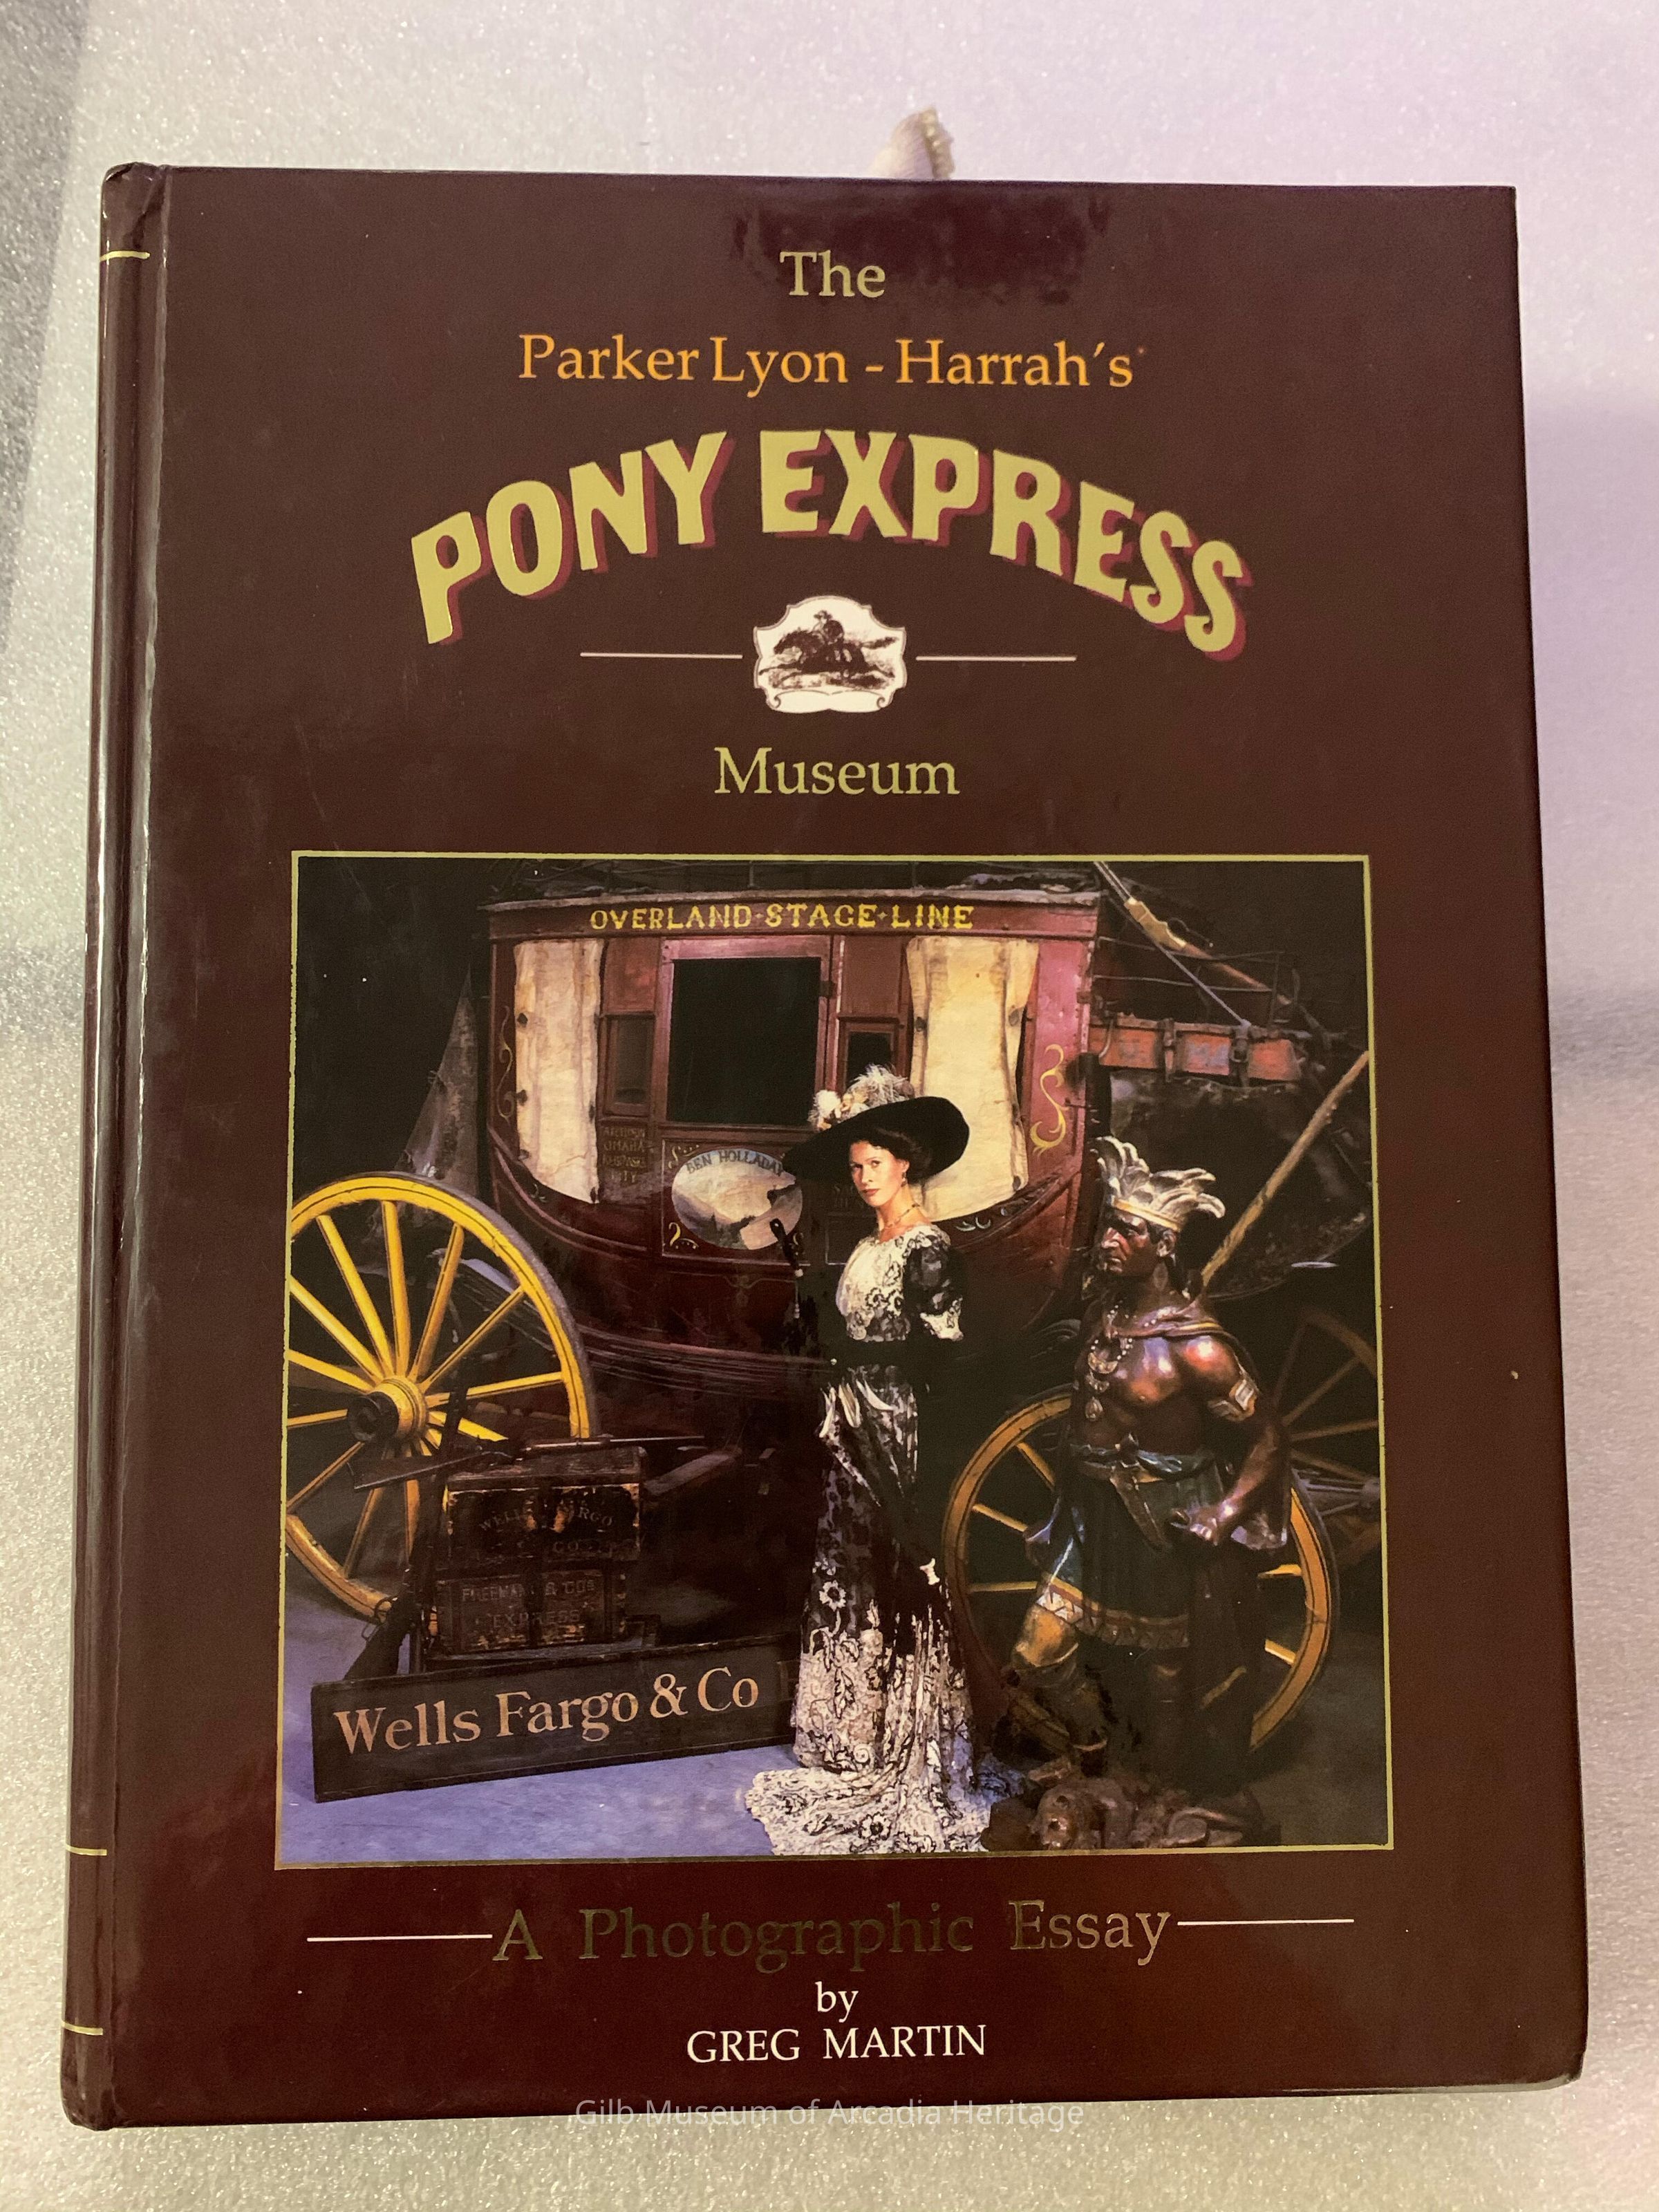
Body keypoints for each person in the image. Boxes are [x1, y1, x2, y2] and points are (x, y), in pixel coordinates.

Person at [745, 1068, 992, 1855]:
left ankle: (905, 1738)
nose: (861, 1178)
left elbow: (944, 1367)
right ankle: (849, 1733)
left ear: (906, 1164)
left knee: (898, 1567)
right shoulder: (865, 1246)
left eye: (874, 1164)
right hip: (846, 1424)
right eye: (853, 1167)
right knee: (848, 1565)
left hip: (898, 1428)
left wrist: (921, 1459)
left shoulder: (928, 1251)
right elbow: (848, 1331)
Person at [1009, 1138, 1289, 1815]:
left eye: (1127, 1230)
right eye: (1109, 1225)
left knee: (1167, 1674)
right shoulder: (1104, 1317)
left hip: (1162, 1523)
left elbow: (1268, 1438)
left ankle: (1160, 1790)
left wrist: (1224, 1514)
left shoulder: (1199, 1348)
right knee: (1038, 1651)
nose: (1108, 1240)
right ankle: (1094, 1752)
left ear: (1163, 1245)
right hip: (1089, 1515)